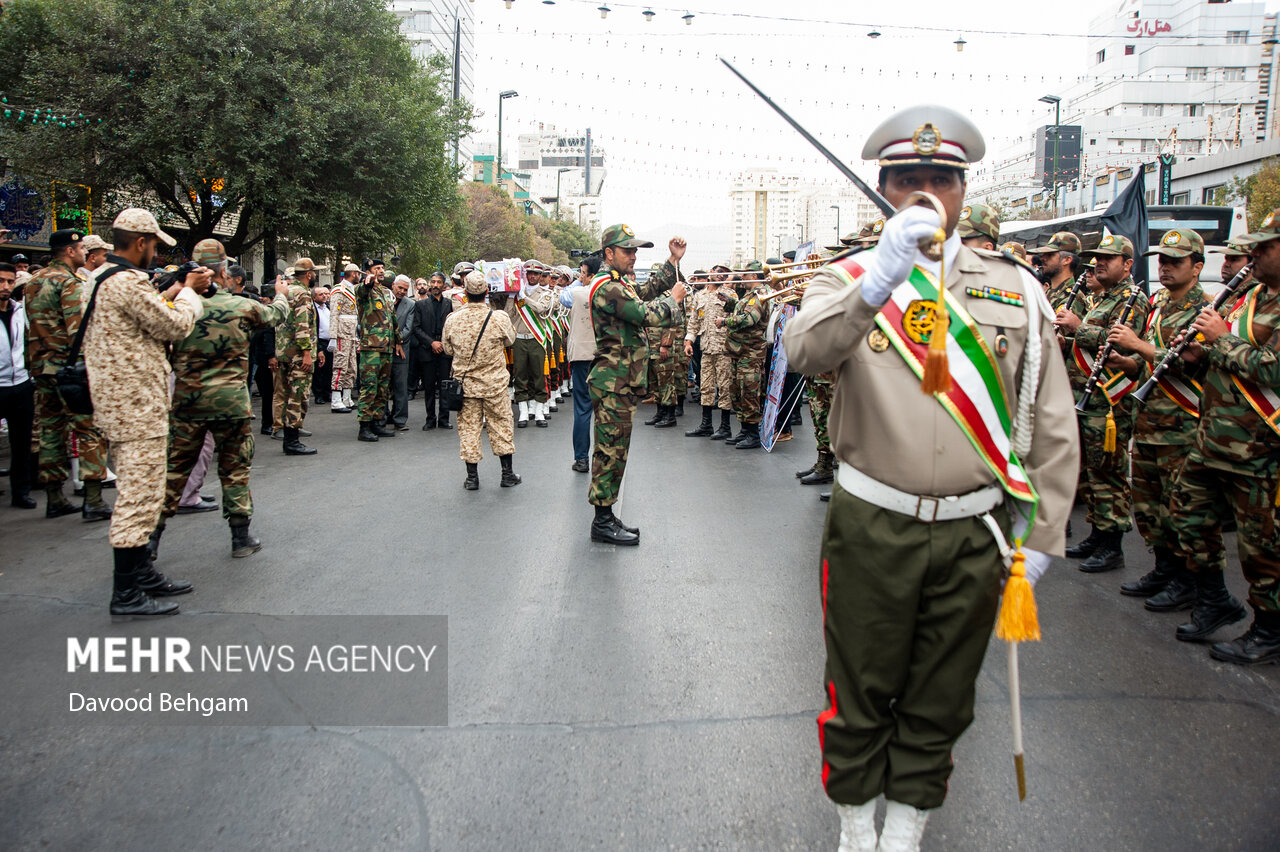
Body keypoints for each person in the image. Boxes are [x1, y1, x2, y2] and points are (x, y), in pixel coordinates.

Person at [783, 105, 1078, 852]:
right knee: (858, 688)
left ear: (963, 193)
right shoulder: (847, 275)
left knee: (943, 694)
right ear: (881, 190)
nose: (924, 194)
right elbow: (804, 354)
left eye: (940, 179)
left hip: (975, 530)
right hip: (872, 522)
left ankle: (907, 825)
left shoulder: (1016, 288)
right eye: (907, 180)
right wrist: (880, 279)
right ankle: (855, 824)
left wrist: (1041, 535)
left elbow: (1049, 419)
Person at [1166, 208, 1280, 665]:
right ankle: (1214, 599)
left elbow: (1272, 369)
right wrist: (1195, 353)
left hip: (1261, 449)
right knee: (1187, 515)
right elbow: (1219, 355)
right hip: (1213, 438)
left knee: (1262, 547)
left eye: (1264, 246)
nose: (1251, 254)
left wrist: (1220, 341)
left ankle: (1269, 627)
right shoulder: (1247, 296)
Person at [1104, 229, 1234, 626]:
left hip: (1183, 426)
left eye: (1175, 261)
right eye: (1162, 260)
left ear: (1197, 267)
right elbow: (1153, 365)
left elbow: (1196, 363)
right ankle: (1166, 569)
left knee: (1184, 511)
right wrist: (1129, 363)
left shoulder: (1208, 310)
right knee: (1149, 507)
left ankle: (1190, 580)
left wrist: (1139, 347)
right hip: (1149, 423)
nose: (1165, 267)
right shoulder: (1159, 304)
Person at [83, 208, 207, 618]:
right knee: (138, 498)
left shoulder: (100, 278)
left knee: (148, 491)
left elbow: (139, 317)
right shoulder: (126, 282)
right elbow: (173, 326)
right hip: (136, 406)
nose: (155, 253)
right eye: (154, 245)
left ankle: (143, 574)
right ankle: (126, 593)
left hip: (121, 403)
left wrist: (167, 292)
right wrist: (187, 292)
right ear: (139, 243)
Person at [150, 239, 292, 562]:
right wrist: (282, 294)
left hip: (189, 402)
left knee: (174, 471)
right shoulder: (241, 306)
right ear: (224, 271)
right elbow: (274, 315)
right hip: (231, 403)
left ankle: (150, 541)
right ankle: (240, 537)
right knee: (235, 467)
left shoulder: (182, 306)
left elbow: (153, 316)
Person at [587, 224, 687, 545]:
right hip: (613, 382)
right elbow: (645, 313)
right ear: (609, 254)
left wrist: (672, 263)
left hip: (622, 381)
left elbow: (643, 292)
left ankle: (607, 513)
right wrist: (673, 300)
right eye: (627, 250)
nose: (633, 256)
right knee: (609, 451)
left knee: (617, 450)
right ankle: (601, 521)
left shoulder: (619, 283)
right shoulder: (606, 287)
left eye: (635, 251)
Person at [1056, 235, 1150, 573]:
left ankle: (1112, 542)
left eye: (1108, 258)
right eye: (1097, 257)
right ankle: (1097, 533)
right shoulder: (1100, 297)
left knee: (1108, 472)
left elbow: (1122, 346)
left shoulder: (1132, 299)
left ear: (1127, 264)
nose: (1098, 262)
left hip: (1110, 400)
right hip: (1086, 397)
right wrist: (1065, 339)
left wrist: (1078, 328)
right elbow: (1088, 343)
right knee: (1091, 471)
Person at [23, 229, 112, 520]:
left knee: (51, 431)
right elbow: (79, 332)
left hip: (42, 368)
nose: (84, 253)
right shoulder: (71, 283)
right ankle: (93, 499)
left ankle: (54, 497)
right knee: (89, 430)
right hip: (71, 370)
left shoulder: (33, 282)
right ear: (71, 251)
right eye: (80, 249)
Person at [442, 271, 520, 489]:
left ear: (465, 293)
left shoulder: (453, 319)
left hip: (465, 387)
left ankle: (472, 477)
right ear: (487, 292)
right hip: (494, 384)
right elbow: (510, 341)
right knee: (502, 426)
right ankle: (507, 474)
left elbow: (448, 349)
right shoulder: (499, 318)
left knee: (468, 429)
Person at [719, 263, 770, 450]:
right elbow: (743, 312)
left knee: (749, 392)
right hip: (739, 351)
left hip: (751, 353)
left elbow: (749, 320)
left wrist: (725, 321)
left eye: (745, 274)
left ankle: (753, 433)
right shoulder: (748, 296)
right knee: (738, 391)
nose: (742, 277)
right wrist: (731, 303)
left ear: (754, 276)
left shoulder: (760, 295)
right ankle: (744, 430)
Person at [275, 259, 322, 455]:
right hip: (298, 355)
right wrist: (306, 353)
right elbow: (302, 326)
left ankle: (289, 437)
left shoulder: (287, 292)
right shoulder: (302, 294)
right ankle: (292, 440)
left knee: (286, 396)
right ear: (309, 274)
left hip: (284, 353)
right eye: (314, 272)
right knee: (298, 397)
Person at [0, 261, 36, 508]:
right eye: (1, 281)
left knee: (21, 442)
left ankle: (20, 492)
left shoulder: (19, 310)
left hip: (21, 384)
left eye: (10, 282)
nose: (5, 287)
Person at [684, 263, 735, 439]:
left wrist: (729, 303)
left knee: (724, 386)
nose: (722, 276)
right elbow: (694, 321)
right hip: (706, 347)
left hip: (724, 349)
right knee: (705, 385)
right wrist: (688, 341)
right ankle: (706, 424)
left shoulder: (730, 295)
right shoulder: (700, 296)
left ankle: (725, 426)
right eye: (719, 272)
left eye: (725, 274)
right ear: (711, 272)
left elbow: (735, 318)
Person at [507, 260, 556, 427]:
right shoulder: (517, 294)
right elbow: (507, 314)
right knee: (520, 376)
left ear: (540, 276)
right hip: (519, 338)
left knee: (539, 376)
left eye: (536, 273)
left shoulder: (545, 293)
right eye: (529, 273)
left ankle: (539, 410)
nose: (533, 276)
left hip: (537, 339)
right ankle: (523, 412)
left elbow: (541, 308)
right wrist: (511, 296)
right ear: (525, 275)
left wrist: (524, 298)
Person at [564, 255, 601, 472]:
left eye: (583, 273)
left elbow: (563, 297)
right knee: (605, 408)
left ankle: (581, 458)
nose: (580, 276)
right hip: (603, 356)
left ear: (589, 275)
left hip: (580, 356)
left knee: (582, 408)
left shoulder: (577, 292)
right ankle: (603, 458)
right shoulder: (609, 292)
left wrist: (580, 279)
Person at [412, 270, 454, 429]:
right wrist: (431, 343)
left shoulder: (448, 304)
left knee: (445, 385)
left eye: (439, 282)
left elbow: (451, 327)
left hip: (444, 350)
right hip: (427, 349)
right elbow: (416, 328)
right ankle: (430, 419)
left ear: (443, 285)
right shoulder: (420, 305)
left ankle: (444, 418)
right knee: (429, 387)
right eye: (433, 282)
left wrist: (443, 343)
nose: (435, 285)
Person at [329, 262, 360, 413]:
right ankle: (336, 399)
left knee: (351, 367)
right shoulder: (339, 290)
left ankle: (346, 398)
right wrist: (333, 336)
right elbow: (334, 313)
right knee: (340, 366)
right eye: (358, 274)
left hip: (352, 334)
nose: (359, 276)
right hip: (342, 333)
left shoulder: (352, 290)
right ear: (353, 273)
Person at [1027, 231, 1083, 311]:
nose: (1042, 258)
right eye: (1043, 254)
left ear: (1067, 260)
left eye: (1050, 255)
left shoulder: (1072, 297)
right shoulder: (1049, 292)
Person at [390, 274, 416, 431]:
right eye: (399, 288)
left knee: (401, 386)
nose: (401, 291)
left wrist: (397, 341)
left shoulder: (410, 304)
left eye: (405, 290)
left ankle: (400, 419)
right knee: (384, 386)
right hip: (383, 348)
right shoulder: (384, 299)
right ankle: (382, 417)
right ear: (393, 285)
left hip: (402, 349)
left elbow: (408, 328)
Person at [311, 285, 333, 405]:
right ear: (314, 297)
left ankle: (326, 393)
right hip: (319, 341)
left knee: (329, 369)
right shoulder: (313, 309)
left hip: (330, 341)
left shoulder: (328, 307)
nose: (324, 296)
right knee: (319, 370)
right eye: (321, 294)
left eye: (326, 293)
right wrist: (319, 348)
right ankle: (318, 395)